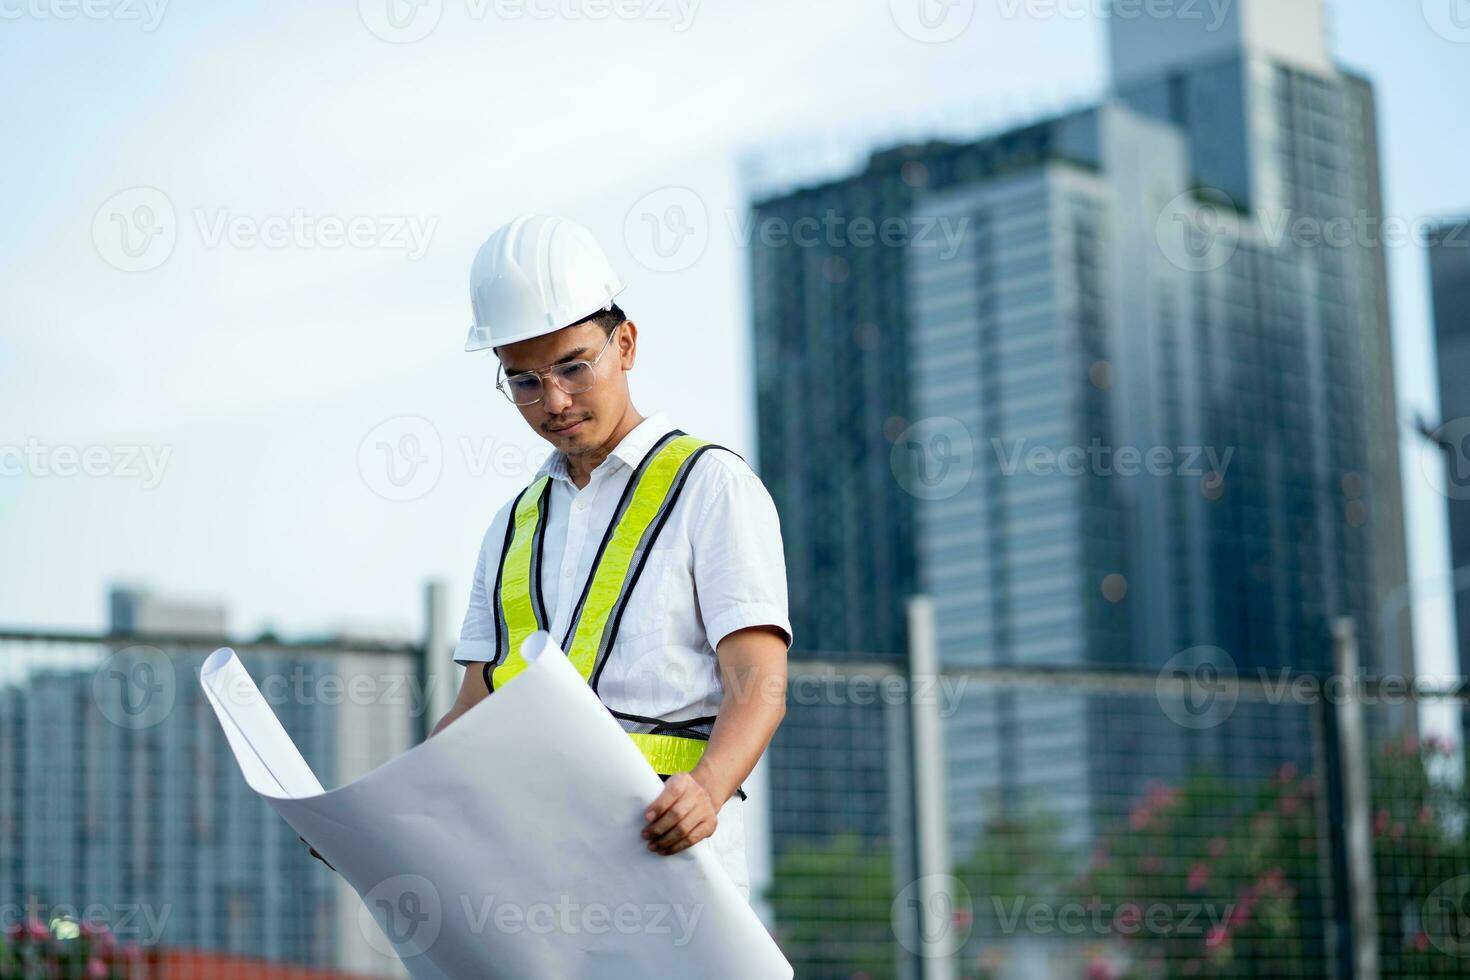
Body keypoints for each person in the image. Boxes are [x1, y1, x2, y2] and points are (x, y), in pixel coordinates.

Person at [431, 213, 791, 899]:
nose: (554, 401)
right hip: (538, 867)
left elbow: (759, 680)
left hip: (670, 857)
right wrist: (382, 816)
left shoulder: (710, 486)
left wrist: (709, 790)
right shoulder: (513, 526)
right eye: (524, 381)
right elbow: (475, 707)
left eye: (573, 367)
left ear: (624, 343)